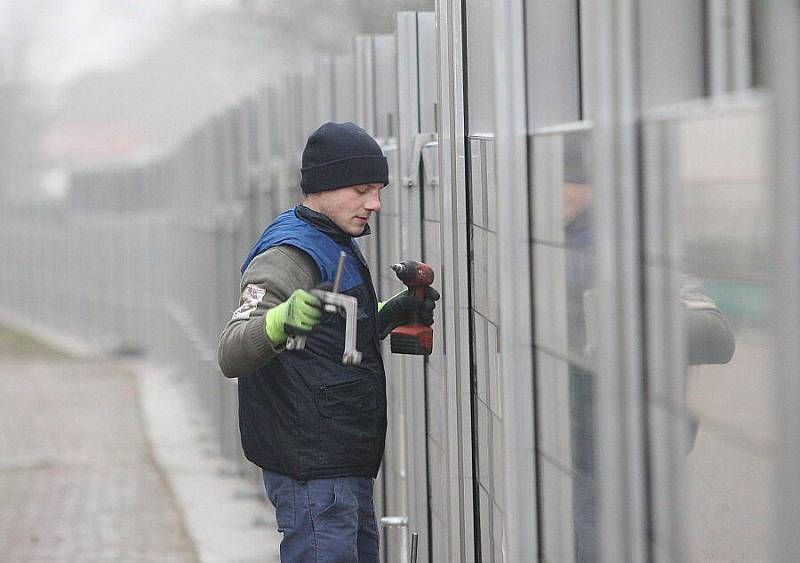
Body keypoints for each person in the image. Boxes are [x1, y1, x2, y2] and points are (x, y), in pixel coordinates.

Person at [217, 122, 438, 563]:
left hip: (340, 464)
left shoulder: (333, 239)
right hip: (312, 474)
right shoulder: (288, 254)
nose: (374, 203)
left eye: (377, 190)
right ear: (324, 185)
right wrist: (280, 319)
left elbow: (330, 338)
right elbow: (232, 351)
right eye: (362, 189)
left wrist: (389, 314)